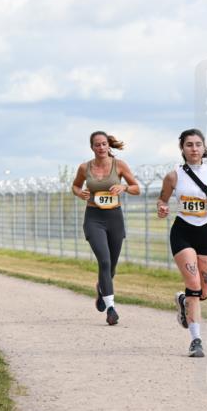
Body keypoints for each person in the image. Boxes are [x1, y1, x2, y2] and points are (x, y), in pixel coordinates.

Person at [156, 128, 207, 357]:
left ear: (203, 148)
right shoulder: (173, 176)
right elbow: (162, 199)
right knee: (194, 285)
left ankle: (182, 300)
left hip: (206, 232)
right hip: (182, 231)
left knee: (204, 291)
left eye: (198, 144)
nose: (194, 149)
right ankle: (196, 340)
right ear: (182, 148)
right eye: (189, 145)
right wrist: (162, 208)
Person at [71, 131, 140, 325]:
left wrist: (124, 188)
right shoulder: (85, 168)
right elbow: (75, 186)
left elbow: (137, 188)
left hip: (114, 218)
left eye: (103, 144)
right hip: (94, 218)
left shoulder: (120, 166)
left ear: (108, 146)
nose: (101, 148)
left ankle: (102, 289)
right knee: (104, 261)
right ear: (91, 147)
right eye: (97, 145)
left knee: (112, 267)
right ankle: (111, 309)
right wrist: (80, 193)